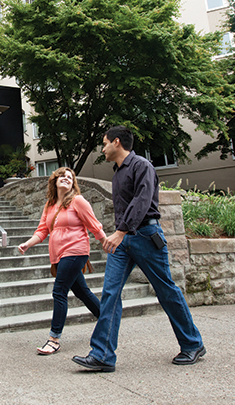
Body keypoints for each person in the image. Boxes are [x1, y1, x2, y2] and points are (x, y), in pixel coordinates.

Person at [72, 126, 205, 372]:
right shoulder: (117, 173)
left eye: (104, 143)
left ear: (117, 142)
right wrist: (120, 233)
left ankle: (192, 344)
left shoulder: (142, 166)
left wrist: (120, 231)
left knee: (165, 289)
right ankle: (102, 355)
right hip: (124, 240)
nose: (102, 149)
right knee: (110, 293)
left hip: (145, 235)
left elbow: (143, 201)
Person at [18, 167, 106, 355]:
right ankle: (108, 321)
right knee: (82, 292)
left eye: (70, 177)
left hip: (75, 251)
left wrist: (106, 242)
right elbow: (42, 230)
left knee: (59, 291)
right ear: (55, 180)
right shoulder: (50, 205)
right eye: (62, 176)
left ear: (73, 183)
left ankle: (54, 339)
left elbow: (94, 225)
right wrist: (28, 244)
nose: (66, 179)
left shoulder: (78, 201)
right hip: (59, 255)